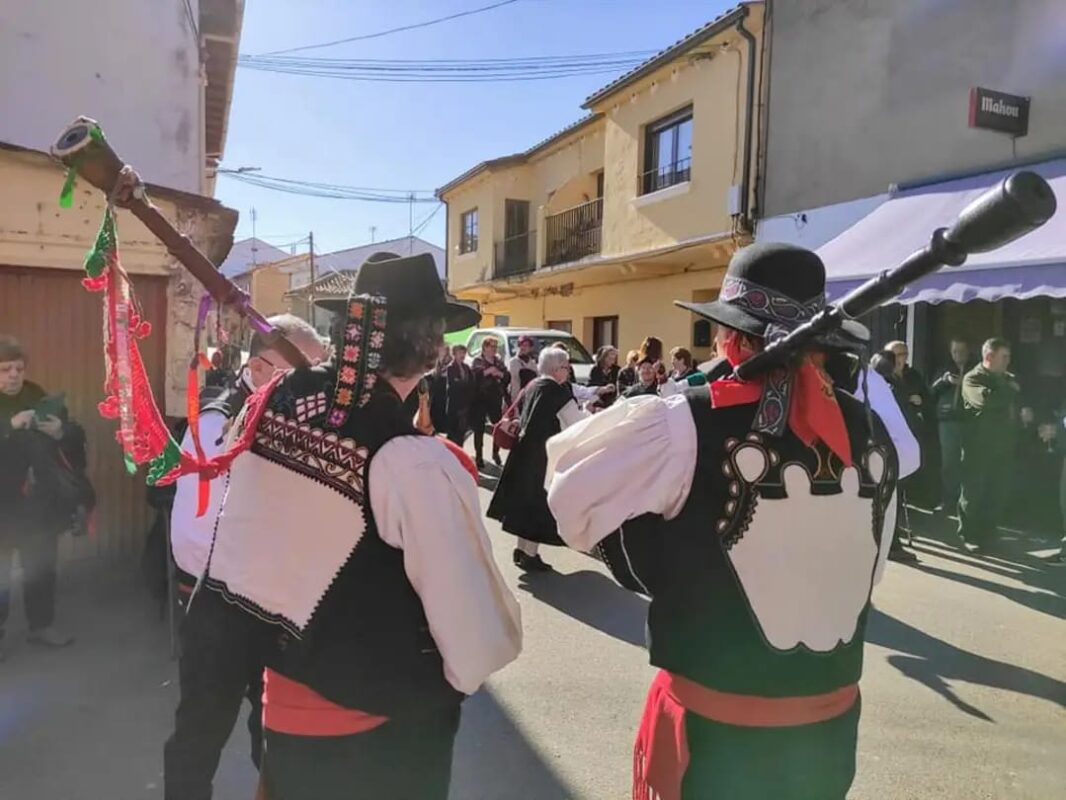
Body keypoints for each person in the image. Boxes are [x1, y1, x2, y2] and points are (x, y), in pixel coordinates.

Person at [544, 243, 919, 800]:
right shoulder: (874, 432)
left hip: (714, 745)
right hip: (827, 739)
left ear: (730, 338)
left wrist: (653, 555)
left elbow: (568, 495)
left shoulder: (684, 423)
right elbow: (873, 568)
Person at [165, 252, 521, 800]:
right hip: (378, 734)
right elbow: (476, 633)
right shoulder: (411, 461)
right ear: (430, 349)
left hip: (282, 696)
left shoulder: (274, 398)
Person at [167, 315, 326, 774]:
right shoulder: (216, 421)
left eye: (322, 371)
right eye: (303, 373)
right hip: (220, 603)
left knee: (276, 734)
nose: (316, 386)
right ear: (257, 368)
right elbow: (195, 534)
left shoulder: (295, 416)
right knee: (201, 732)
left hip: (278, 604)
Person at [0, 335, 94, 660]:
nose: (14, 375)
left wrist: (60, 431)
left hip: (37, 501)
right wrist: (8, 426)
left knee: (40, 565)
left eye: (18, 368)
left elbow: (73, 433)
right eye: (5, 369)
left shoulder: (35, 393)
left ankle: (41, 626)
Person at [487, 347, 587, 573]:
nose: (568, 370)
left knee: (525, 504)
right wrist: (591, 413)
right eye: (566, 366)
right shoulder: (557, 392)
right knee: (537, 507)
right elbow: (576, 422)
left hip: (523, 452)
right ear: (557, 368)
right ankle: (530, 556)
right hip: (542, 457)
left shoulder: (534, 385)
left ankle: (521, 550)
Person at [958, 337, 1019, 553]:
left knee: (996, 492)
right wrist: (1009, 390)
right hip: (978, 445)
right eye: (1004, 357)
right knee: (973, 492)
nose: (1007, 361)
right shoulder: (973, 378)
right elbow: (985, 401)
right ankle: (968, 535)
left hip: (1002, 444)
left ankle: (988, 533)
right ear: (989, 356)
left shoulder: (1006, 379)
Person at [885, 340, 940, 510]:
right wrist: (906, 397)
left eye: (902, 354)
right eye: (894, 355)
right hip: (889, 432)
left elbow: (928, 398)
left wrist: (921, 401)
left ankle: (909, 505)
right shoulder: (881, 375)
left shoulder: (913, 375)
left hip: (912, 430)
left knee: (911, 469)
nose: (898, 359)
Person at [930, 338, 972, 511]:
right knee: (949, 462)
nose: (958, 355)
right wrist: (944, 381)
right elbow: (930, 392)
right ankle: (948, 499)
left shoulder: (976, 370)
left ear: (968, 351)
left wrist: (965, 383)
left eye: (961, 351)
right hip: (948, 421)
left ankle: (967, 501)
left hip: (969, 421)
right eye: (955, 351)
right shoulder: (944, 370)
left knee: (969, 461)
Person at [470, 337, 508, 468]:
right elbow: (475, 376)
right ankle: (479, 456)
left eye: (495, 347)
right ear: (484, 347)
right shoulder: (478, 361)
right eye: (491, 346)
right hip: (480, 398)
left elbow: (506, 375)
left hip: (495, 397)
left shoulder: (498, 361)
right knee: (479, 428)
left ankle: (495, 452)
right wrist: (489, 371)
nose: (493, 349)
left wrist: (500, 374)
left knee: (497, 426)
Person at [443, 343, 474, 446]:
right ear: (454, 354)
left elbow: (471, 383)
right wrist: (463, 384)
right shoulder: (451, 368)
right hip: (454, 405)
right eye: (460, 353)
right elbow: (453, 385)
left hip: (465, 405)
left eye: (464, 353)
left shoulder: (467, 368)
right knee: (453, 433)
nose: (462, 355)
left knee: (462, 433)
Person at [588, 346, 620, 410]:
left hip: (612, 400)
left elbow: (619, 385)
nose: (612, 362)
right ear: (604, 358)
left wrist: (614, 388)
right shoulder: (596, 369)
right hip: (598, 399)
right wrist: (604, 389)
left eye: (614, 359)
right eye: (610, 359)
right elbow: (592, 385)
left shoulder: (617, 369)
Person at [507, 335, 538, 401]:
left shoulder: (533, 364)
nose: (523, 347)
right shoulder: (513, 362)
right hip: (516, 398)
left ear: (530, 348)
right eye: (521, 345)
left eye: (526, 345)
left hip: (529, 398)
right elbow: (512, 382)